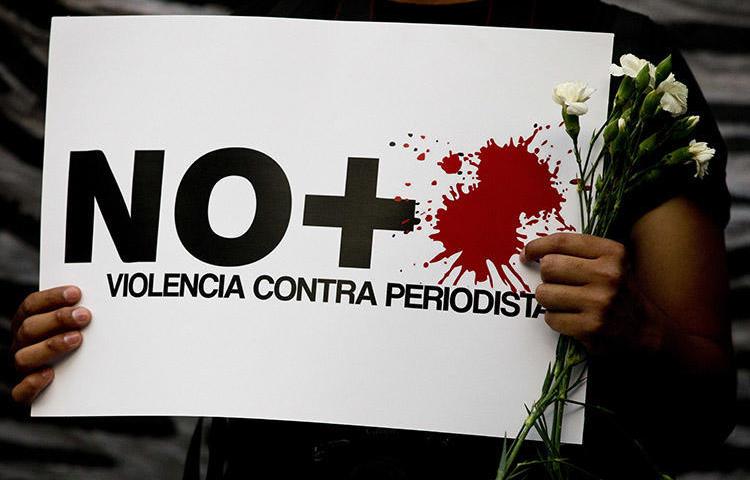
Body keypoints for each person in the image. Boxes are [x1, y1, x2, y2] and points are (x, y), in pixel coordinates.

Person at [9, 0, 735, 478]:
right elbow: (174, 293)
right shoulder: (254, 41)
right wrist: (76, 346)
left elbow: (705, 413)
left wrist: (642, 334)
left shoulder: (623, 60)